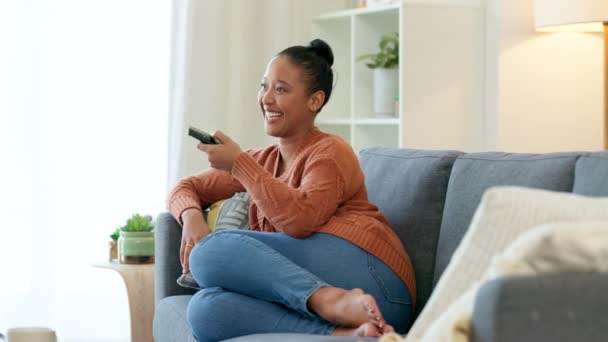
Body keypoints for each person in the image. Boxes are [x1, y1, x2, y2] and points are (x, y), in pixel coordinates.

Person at [167, 39, 415, 342]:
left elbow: (299, 221)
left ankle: (330, 300)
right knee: (205, 311)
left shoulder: (330, 151)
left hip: (378, 280)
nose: (266, 99)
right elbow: (185, 186)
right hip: (350, 298)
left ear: (315, 100)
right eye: (264, 86)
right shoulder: (263, 161)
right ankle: (344, 333)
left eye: (281, 89)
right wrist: (192, 218)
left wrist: (239, 164)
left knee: (209, 253)